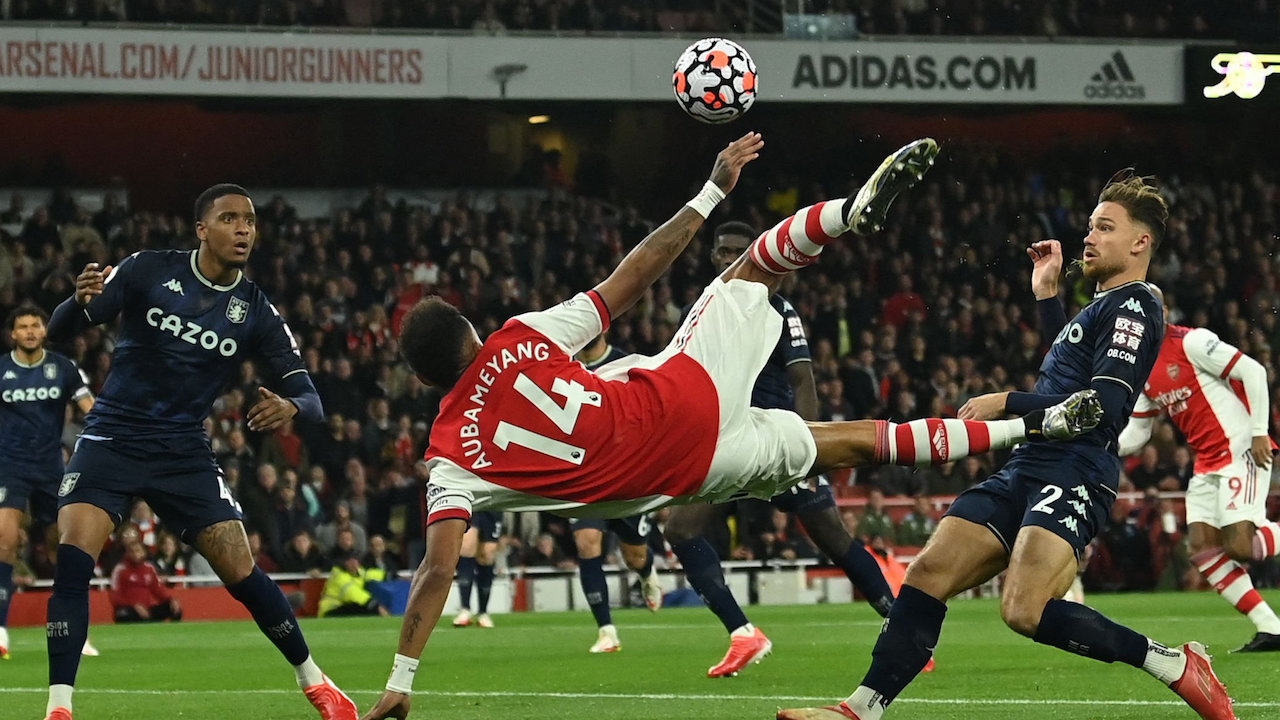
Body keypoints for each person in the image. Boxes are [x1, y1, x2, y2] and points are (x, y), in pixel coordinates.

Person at [362, 135, 1100, 720]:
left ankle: (1032, 428)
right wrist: (712, 190)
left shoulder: (449, 458)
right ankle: (851, 212)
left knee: (847, 441)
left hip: (688, 473)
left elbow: (436, 570)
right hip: (681, 396)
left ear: (425, 382)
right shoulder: (520, 336)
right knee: (754, 267)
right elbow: (632, 277)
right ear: (471, 329)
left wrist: (401, 679)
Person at [778, 173, 1236, 720]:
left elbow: (1102, 405)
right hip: (1029, 463)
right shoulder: (1101, 307)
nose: (1089, 237)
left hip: (1076, 469)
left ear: (1140, 243)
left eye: (1105, 228)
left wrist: (1007, 402)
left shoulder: (1134, 306)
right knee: (927, 573)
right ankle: (861, 709)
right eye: (1090, 226)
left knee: (1024, 610)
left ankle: (1174, 664)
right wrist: (1047, 297)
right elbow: (1068, 373)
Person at [43, 184, 357, 720]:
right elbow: (60, 331)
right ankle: (59, 708)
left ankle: (316, 681)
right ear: (201, 229)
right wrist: (77, 301)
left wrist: (291, 406)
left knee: (241, 570)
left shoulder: (255, 310)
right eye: (230, 218)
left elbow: (311, 397)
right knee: (73, 559)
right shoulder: (147, 269)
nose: (243, 229)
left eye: (250, 220)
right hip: (113, 437)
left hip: (183, 451)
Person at [662, 221, 903, 678]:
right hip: (730, 444)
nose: (728, 258)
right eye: (723, 251)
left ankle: (903, 628)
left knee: (834, 540)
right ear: (713, 256)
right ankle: (742, 633)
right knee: (681, 528)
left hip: (776, 444)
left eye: (738, 251)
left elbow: (802, 380)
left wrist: (807, 448)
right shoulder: (707, 307)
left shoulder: (777, 307)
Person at [1118, 284, 1280, 652]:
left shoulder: (1192, 342)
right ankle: (1271, 627)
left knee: (1240, 546)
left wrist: (1259, 431)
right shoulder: (1141, 366)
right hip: (1206, 461)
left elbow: (1253, 371)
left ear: (1163, 313)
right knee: (1203, 549)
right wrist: (1103, 443)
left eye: (1150, 309)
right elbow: (1139, 431)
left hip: (1240, 447)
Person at [0, 304, 95, 661]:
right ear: (12, 334)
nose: (29, 331)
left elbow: (90, 407)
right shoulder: (1, 370)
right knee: (5, 539)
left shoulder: (63, 368)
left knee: (66, 545)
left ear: (44, 330)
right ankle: (0, 630)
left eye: (35, 325)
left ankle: (73, 629)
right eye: (22, 326)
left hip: (52, 469)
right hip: (9, 466)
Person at [571, 333, 664, 654]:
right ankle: (606, 631)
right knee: (587, 542)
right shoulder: (563, 367)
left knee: (634, 556)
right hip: (584, 473)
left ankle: (647, 572)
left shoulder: (625, 363)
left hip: (627, 475)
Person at [109, 541, 183, 624]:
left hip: (146, 609)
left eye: (138, 551)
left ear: (144, 552)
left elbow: (158, 590)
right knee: (123, 614)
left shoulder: (149, 568)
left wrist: (171, 599)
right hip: (128, 608)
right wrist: (133, 606)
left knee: (174, 608)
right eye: (132, 551)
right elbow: (115, 596)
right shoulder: (120, 569)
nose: (135, 554)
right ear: (127, 553)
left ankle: (169, 630)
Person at [450, 510, 501, 628]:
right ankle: (465, 609)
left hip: (492, 507)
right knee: (467, 547)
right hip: (472, 505)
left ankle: (483, 612)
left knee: (487, 553)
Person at [318, 549, 389, 618]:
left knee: (366, 609)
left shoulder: (358, 572)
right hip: (330, 611)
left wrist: (390, 575)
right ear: (343, 562)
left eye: (356, 560)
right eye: (350, 561)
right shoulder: (339, 576)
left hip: (344, 607)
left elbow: (370, 574)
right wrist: (374, 605)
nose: (354, 564)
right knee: (366, 609)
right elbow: (353, 592)